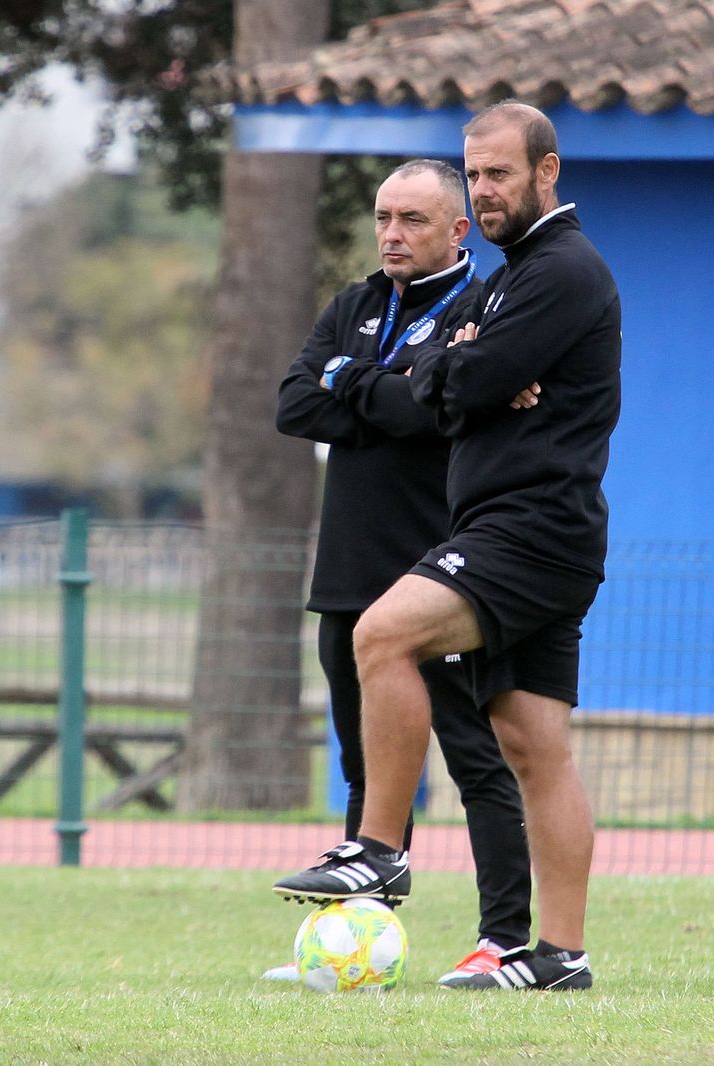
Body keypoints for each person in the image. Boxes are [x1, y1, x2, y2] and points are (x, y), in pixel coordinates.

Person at [274, 102, 622, 993]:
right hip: (521, 531)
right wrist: (449, 368)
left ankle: (380, 853)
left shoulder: (561, 272)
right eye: (476, 172)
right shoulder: (512, 278)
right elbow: (450, 382)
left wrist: (453, 365)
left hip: (530, 530)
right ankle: (560, 957)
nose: (486, 187)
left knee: (382, 636)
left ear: (547, 171)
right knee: (534, 745)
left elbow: (466, 380)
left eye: (500, 172)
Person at [269, 158, 533, 985]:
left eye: (413, 220)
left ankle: (506, 939)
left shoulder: (480, 305)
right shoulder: (352, 303)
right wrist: (386, 390)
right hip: (348, 569)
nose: (392, 235)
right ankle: (357, 943)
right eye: (384, 218)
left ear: (458, 231)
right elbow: (294, 404)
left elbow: (436, 409)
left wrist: (356, 384)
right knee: (366, 763)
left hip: (435, 573)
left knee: (476, 758)